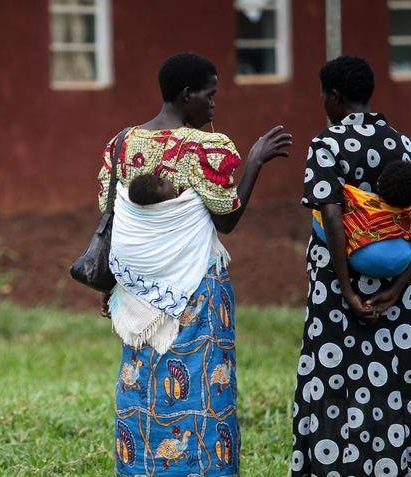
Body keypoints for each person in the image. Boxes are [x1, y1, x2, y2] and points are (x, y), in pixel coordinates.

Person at [97, 52, 291, 476]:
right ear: (188, 95)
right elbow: (228, 218)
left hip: (137, 291)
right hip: (196, 287)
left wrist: (113, 282)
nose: (214, 103)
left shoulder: (121, 144)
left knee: (142, 381)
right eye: (210, 93)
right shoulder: (207, 147)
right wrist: (255, 160)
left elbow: (112, 214)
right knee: (204, 384)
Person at [292, 56, 411, 477]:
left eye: (324, 95)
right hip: (392, 287)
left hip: (337, 287)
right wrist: (398, 285)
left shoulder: (327, 144)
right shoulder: (403, 144)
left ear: (335, 96)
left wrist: (347, 289)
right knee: (394, 378)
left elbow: (334, 218)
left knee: (333, 377)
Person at [312, 160, 411, 278]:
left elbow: (331, 207)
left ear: (379, 181)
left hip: (366, 260)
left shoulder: (357, 198)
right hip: (402, 262)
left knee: (320, 216)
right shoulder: (409, 211)